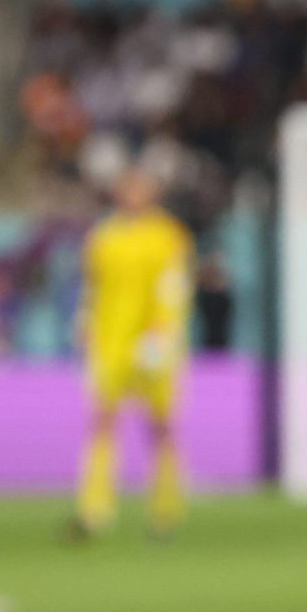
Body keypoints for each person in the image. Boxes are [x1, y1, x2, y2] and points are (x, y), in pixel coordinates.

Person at [67, 168, 192, 541]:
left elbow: (173, 290)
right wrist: (85, 322)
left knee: (160, 428)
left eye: (139, 188)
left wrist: (160, 339)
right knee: (102, 422)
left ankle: (165, 511)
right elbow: (93, 287)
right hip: (110, 345)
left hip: (154, 344)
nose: (131, 195)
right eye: (126, 188)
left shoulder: (168, 236)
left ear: (151, 193)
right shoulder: (103, 237)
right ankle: (94, 512)